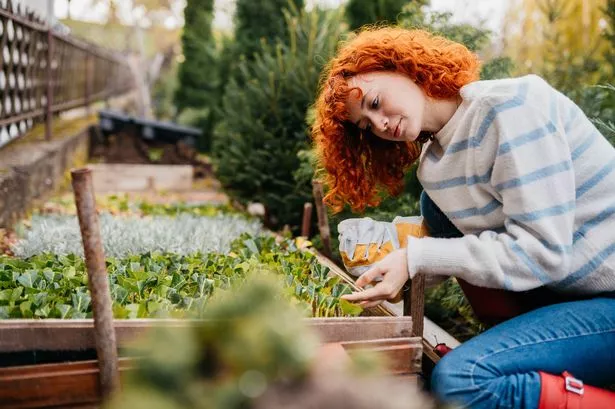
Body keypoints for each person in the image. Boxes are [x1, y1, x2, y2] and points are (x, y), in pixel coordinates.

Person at [311, 27, 615, 409]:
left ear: (404, 66)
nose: (381, 124)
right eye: (367, 126)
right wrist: (398, 264)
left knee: (462, 380)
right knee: (434, 210)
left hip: (606, 295)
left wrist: (416, 256)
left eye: (374, 102)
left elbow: (542, 254)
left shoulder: (509, 110)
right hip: (567, 296)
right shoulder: (434, 165)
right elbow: (476, 247)